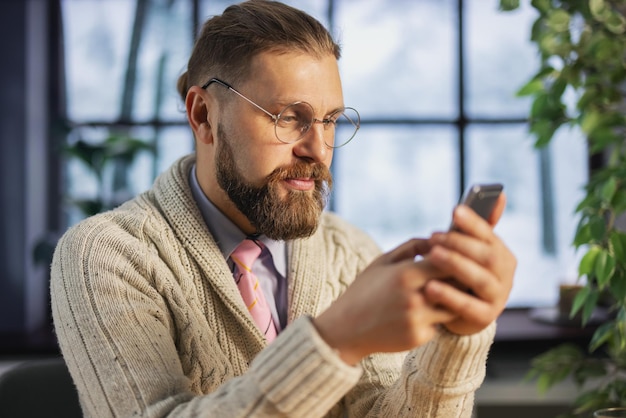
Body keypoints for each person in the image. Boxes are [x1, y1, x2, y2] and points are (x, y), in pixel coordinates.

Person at [50, 1, 517, 417]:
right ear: (203, 116)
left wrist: (460, 335)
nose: (318, 148)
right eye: (289, 118)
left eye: (330, 120)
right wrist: (335, 340)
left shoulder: (350, 250)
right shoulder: (105, 254)